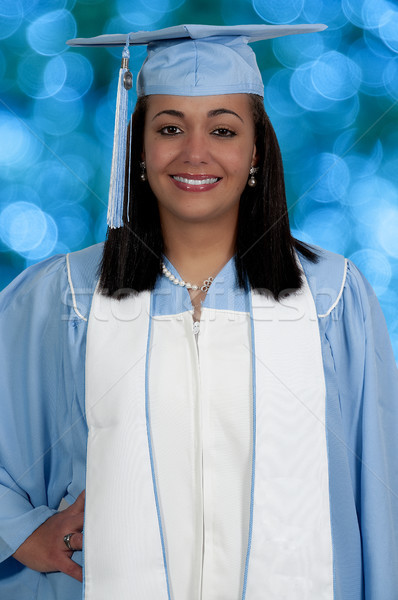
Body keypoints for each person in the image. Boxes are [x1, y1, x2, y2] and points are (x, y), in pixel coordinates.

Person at [0, 23, 397, 600]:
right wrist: (22, 531)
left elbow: (381, 488)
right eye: (169, 128)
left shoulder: (333, 299)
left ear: (256, 148)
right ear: (138, 147)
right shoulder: (64, 296)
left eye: (222, 129)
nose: (195, 152)